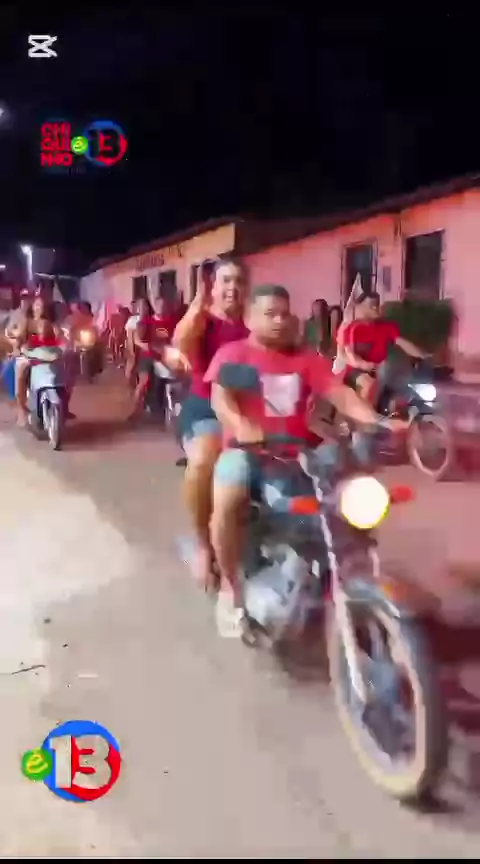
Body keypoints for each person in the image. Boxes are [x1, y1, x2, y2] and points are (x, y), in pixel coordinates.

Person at [204, 283, 407, 637]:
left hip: (295, 456)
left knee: (342, 501)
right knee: (229, 493)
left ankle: (334, 578)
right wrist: (241, 425)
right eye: (270, 314)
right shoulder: (235, 354)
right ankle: (230, 588)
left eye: (284, 313)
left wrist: (377, 421)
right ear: (249, 318)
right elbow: (222, 400)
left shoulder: (305, 358)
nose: (279, 320)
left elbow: (339, 393)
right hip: (246, 452)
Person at [172, 256, 249, 587]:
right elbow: (180, 342)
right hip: (205, 410)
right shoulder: (203, 322)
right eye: (226, 280)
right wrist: (196, 308)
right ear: (213, 287)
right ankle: (203, 544)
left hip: (246, 412)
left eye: (239, 281)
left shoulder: (254, 327)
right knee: (203, 461)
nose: (233, 287)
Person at [342, 291, 428, 400]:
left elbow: (403, 343)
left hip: (384, 374)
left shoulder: (386, 327)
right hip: (357, 372)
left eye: (376, 305)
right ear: (360, 307)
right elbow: (350, 354)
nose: (375, 308)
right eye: (371, 305)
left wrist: (422, 355)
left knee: (406, 396)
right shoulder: (351, 330)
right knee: (369, 385)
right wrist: (364, 364)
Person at [15, 295, 62, 425]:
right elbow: (20, 340)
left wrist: (66, 346)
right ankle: (21, 408)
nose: (39, 308)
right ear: (32, 307)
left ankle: (64, 404)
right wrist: (20, 348)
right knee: (21, 369)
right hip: (29, 356)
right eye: (37, 305)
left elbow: (60, 338)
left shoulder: (51, 325)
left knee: (66, 372)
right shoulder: (27, 323)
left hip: (47, 356)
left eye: (42, 305)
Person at [131, 296, 180, 417]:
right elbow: (137, 338)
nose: (161, 308)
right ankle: (134, 411)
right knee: (144, 381)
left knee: (180, 378)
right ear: (155, 306)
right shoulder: (147, 321)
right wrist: (145, 345)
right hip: (148, 356)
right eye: (159, 305)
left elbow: (179, 336)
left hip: (167, 356)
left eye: (164, 306)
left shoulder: (173, 321)